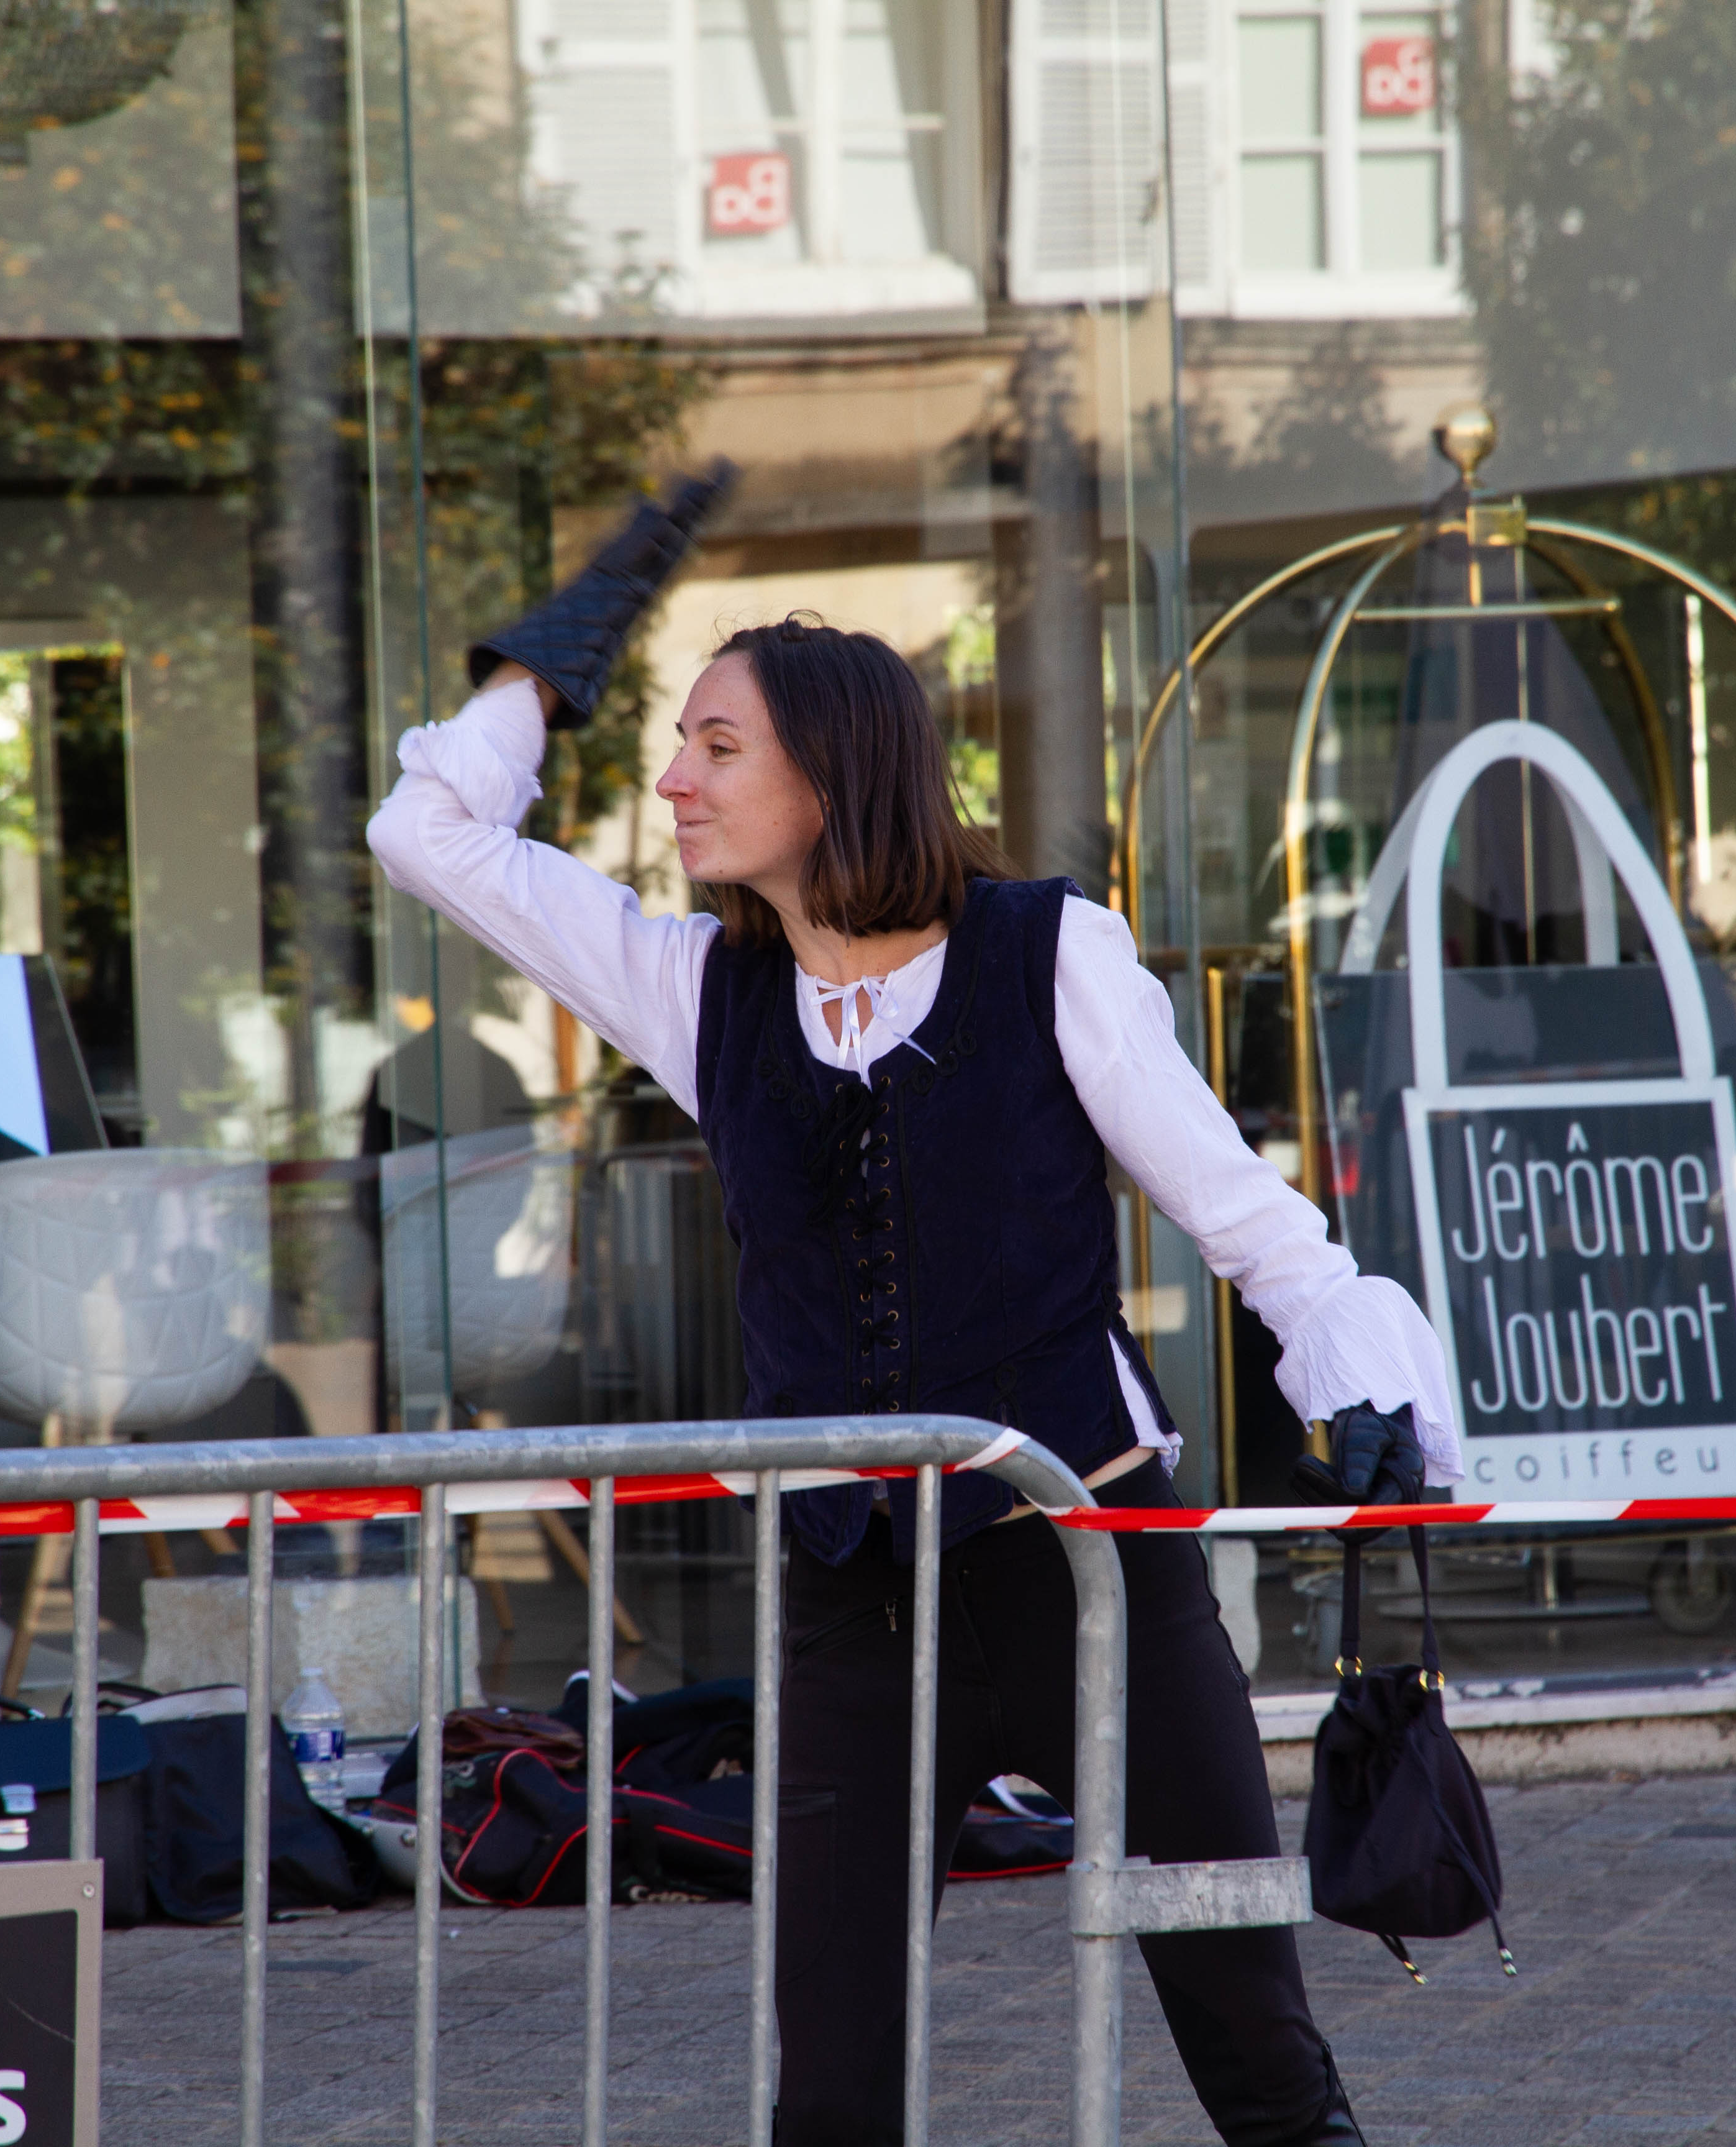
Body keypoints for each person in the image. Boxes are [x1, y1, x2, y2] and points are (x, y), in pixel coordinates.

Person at [368, 471, 1462, 2147]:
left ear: (832, 771)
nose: (673, 781)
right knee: (833, 2092)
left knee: (1256, 2047)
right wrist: (545, 668)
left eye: (717, 747)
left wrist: (1361, 1382)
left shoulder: (1049, 954)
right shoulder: (697, 989)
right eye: (677, 744)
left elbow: (1252, 1221)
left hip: (1091, 1572)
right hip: (850, 1603)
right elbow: (426, 837)